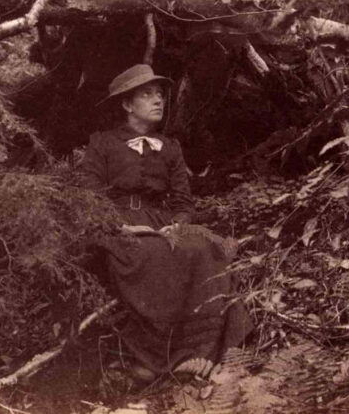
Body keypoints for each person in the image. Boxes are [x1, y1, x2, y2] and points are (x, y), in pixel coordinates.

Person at [80, 64, 252, 381]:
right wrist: (120, 227)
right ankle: (155, 359)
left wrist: (179, 223)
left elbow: (183, 200)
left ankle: (207, 353)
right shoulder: (102, 144)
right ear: (127, 104)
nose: (158, 100)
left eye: (160, 94)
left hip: (163, 221)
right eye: (147, 94)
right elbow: (90, 196)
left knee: (206, 250)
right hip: (118, 223)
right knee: (147, 254)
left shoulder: (170, 147)